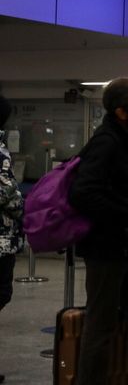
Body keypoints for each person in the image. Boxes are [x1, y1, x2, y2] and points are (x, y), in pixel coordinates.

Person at [68, 78, 128, 385]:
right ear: (122, 112)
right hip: (105, 250)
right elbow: (83, 193)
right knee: (101, 324)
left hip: (123, 247)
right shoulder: (106, 141)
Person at [0, 96, 23, 384]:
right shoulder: (0, 151)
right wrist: (25, 209)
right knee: (1, 292)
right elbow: (6, 194)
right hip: (1, 240)